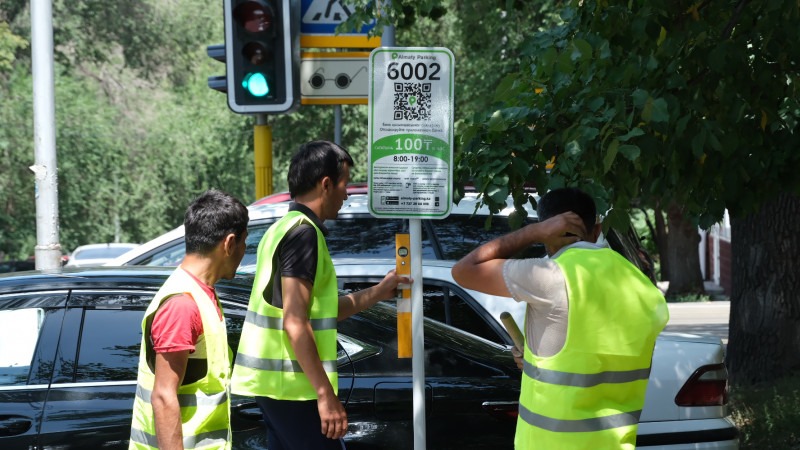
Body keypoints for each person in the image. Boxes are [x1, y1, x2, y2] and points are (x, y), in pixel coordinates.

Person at [451, 187, 668, 450]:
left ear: (546, 231)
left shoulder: (550, 274)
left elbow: (463, 271)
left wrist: (532, 232)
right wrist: (535, 361)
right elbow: (600, 361)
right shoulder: (641, 286)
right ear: (597, 231)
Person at [231, 140, 412, 450]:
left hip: (278, 388)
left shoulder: (281, 229)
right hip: (294, 388)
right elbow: (295, 322)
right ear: (326, 184)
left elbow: (321, 312)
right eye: (344, 184)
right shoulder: (303, 234)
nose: (346, 193)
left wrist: (378, 293)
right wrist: (325, 394)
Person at [129, 189, 249, 450]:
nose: (245, 251)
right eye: (244, 242)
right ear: (229, 243)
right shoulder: (183, 304)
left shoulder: (201, 294)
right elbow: (163, 396)